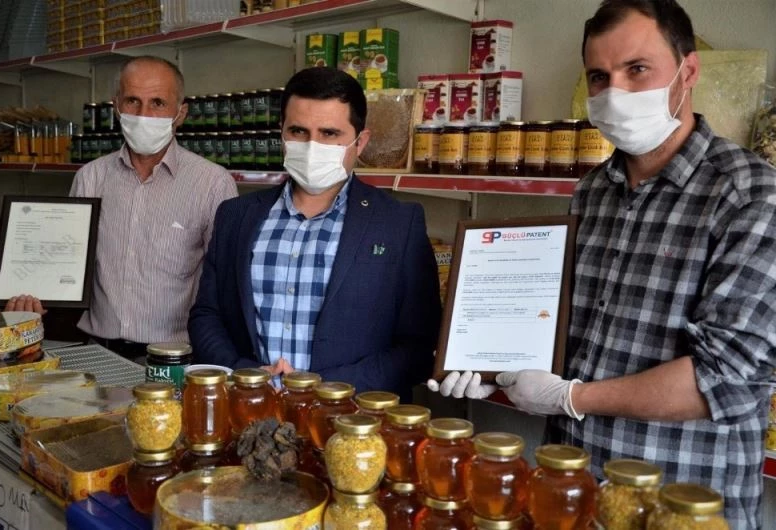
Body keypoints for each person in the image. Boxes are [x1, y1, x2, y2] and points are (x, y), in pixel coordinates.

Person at [428, 1, 776, 527]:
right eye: (599, 76)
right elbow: (562, 329)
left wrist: (572, 397)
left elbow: (726, 376)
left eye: (637, 69)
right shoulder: (592, 191)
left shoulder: (751, 195)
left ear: (688, 72)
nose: (615, 91)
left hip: (678, 498)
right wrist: (491, 365)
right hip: (572, 484)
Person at [188, 66, 441, 400]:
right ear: (281, 133)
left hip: (353, 419)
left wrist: (321, 388)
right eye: (298, 131)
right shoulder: (236, 216)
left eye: (329, 133)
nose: (312, 146)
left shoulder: (398, 224)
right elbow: (207, 316)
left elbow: (418, 347)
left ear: (360, 142)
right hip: (249, 411)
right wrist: (246, 375)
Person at [61, 56, 237, 357]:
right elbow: (66, 262)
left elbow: (223, 283)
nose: (144, 115)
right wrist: (31, 290)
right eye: (133, 101)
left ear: (180, 113)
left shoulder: (213, 184)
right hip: (98, 350)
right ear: (116, 107)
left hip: (175, 358)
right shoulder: (90, 177)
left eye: (158, 103)